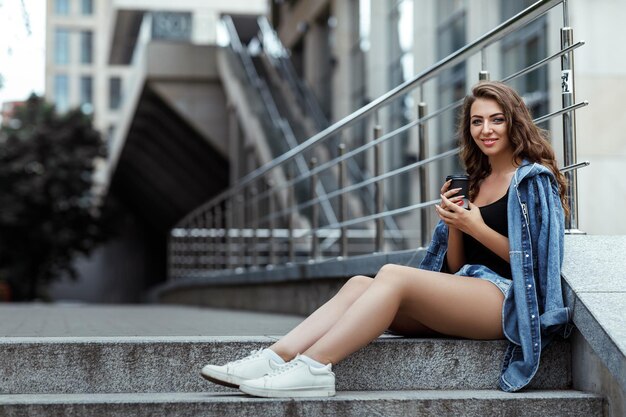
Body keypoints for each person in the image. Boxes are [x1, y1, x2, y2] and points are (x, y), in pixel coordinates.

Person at [200, 81, 571, 397]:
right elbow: (456, 267)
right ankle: (275, 357)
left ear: (513, 123)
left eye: (496, 119)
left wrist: (477, 227)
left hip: (508, 302)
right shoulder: (472, 182)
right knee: (361, 283)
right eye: (477, 121)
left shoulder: (533, 181)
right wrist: (455, 224)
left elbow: (537, 265)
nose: (486, 129)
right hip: (468, 290)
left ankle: (314, 368)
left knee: (392, 274)